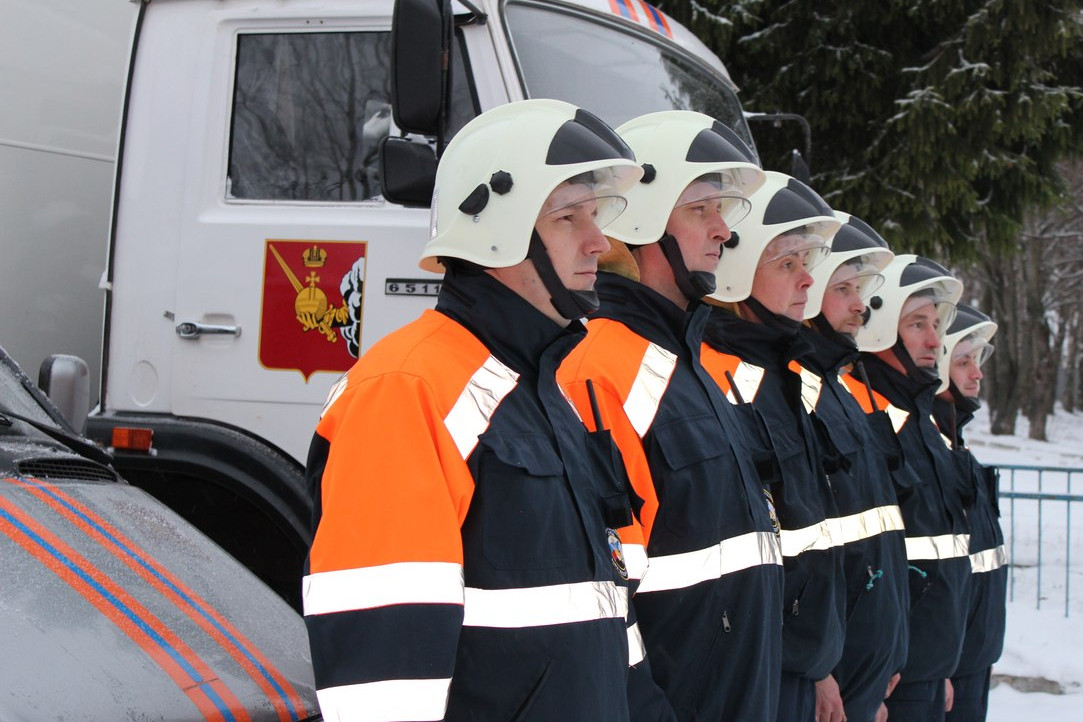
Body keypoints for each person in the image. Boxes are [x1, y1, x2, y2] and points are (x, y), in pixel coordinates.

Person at [301, 99, 673, 721]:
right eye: (568, 217)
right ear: (496, 227)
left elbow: (606, 615)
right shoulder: (407, 387)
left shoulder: (545, 389)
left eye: (596, 214)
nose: (599, 241)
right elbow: (383, 679)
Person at [558, 110, 785, 721]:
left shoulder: (691, 366)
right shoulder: (598, 367)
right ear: (641, 223)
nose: (724, 231)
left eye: (722, 211)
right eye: (701, 210)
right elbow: (602, 601)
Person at [700, 170, 846, 722]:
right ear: (735, 271)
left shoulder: (775, 374)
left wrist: (819, 664)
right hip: (759, 671)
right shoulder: (721, 380)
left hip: (795, 669)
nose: (809, 282)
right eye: (788, 264)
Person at [795, 213, 909, 722]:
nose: (861, 306)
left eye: (860, 289)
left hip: (861, 671)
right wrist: (819, 668)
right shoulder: (791, 387)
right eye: (844, 289)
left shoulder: (839, 389)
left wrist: (889, 652)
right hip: (830, 676)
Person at [850, 255, 968, 722]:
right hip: (890, 672)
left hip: (925, 663)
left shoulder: (922, 419)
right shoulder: (863, 412)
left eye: (935, 325)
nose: (935, 341)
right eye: (917, 324)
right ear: (878, 323)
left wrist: (940, 666)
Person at [935, 305, 1007, 722]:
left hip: (973, 657)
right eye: (963, 362)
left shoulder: (957, 450)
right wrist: (940, 664)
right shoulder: (927, 452)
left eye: (976, 362)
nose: (976, 375)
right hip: (945, 666)